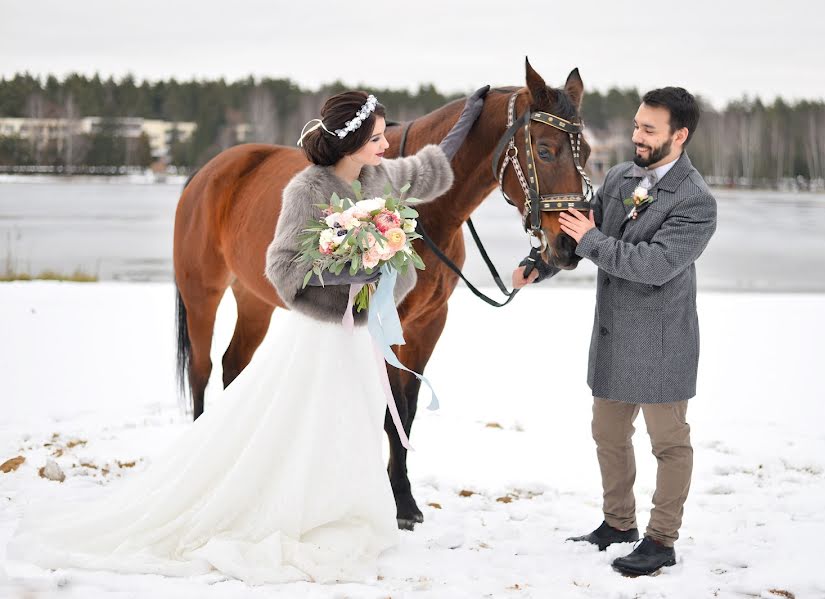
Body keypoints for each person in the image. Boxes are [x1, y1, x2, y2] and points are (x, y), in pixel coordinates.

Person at [8, 86, 489, 585]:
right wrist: (350, 290)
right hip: (324, 331)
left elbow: (431, 170)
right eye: (378, 136)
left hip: (355, 328)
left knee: (353, 415)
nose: (389, 143)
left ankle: (344, 505)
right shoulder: (309, 190)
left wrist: (470, 120)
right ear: (352, 142)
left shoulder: (379, 179)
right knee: (306, 416)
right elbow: (283, 271)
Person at [513, 87, 717, 577]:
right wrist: (542, 263)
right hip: (612, 334)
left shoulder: (696, 202)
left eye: (649, 129)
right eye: (636, 125)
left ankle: (661, 539)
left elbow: (653, 265)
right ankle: (618, 524)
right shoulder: (622, 177)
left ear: (679, 134)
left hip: (662, 342)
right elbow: (578, 234)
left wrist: (589, 239)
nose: (636, 136)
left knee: (668, 443)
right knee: (607, 433)